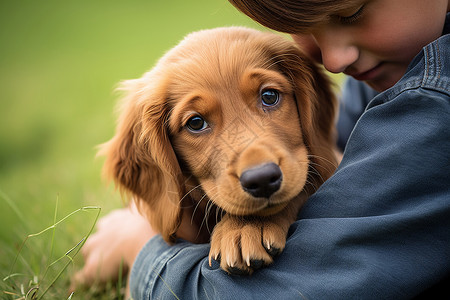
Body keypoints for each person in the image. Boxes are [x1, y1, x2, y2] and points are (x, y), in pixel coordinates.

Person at [74, 0, 450, 298]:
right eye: (196, 122)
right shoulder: (379, 73)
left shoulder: (435, 104)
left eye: (270, 96)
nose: (334, 61)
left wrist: (136, 247)